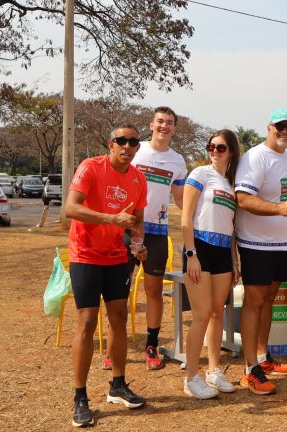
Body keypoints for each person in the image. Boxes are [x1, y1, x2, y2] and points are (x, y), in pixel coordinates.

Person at [65, 125, 148, 427]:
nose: (127, 146)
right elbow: (70, 208)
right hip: (85, 254)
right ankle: (80, 397)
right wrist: (110, 218)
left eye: (133, 142)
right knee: (87, 322)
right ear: (111, 144)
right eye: (121, 141)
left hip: (117, 257)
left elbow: (138, 219)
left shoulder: (139, 178)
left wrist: (138, 245)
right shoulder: (91, 167)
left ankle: (118, 385)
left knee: (119, 318)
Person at [235, 108, 287, 395]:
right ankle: (250, 370)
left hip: (282, 243)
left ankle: (263, 357)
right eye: (280, 127)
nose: (284, 132)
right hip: (256, 242)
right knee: (255, 302)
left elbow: (286, 195)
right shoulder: (255, 156)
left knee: (269, 300)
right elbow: (243, 198)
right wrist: (278, 209)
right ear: (269, 128)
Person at [181, 130, 241, 398]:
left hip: (222, 253)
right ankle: (191, 376)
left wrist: (234, 261)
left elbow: (231, 227)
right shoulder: (200, 174)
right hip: (200, 249)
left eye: (221, 147)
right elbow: (186, 218)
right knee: (202, 314)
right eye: (211, 146)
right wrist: (191, 254)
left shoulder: (232, 183)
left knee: (218, 313)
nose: (215, 151)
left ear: (231, 151)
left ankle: (214, 370)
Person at [129, 106, 187, 370]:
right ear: (151, 124)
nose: (164, 126)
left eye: (169, 123)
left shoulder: (178, 161)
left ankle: (151, 346)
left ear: (174, 128)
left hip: (157, 231)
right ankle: (114, 347)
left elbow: (180, 198)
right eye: (160, 121)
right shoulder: (135, 150)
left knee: (153, 291)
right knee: (119, 291)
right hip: (127, 227)